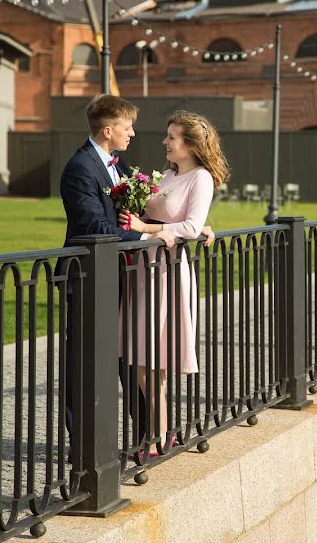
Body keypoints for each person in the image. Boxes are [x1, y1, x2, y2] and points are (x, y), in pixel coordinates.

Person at [59, 95, 214, 459]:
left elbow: (147, 212)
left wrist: (193, 227)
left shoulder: (119, 165)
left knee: (135, 357)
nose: (134, 133)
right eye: (128, 127)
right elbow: (95, 226)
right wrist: (150, 235)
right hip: (90, 277)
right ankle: (86, 451)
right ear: (108, 130)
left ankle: (154, 437)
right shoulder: (80, 167)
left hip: (132, 275)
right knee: (82, 365)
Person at [118, 109, 229, 456]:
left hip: (167, 273)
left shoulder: (201, 178)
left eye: (172, 137)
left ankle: (158, 437)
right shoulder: (168, 175)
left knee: (154, 360)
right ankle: (158, 433)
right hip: (143, 270)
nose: (164, 142)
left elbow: (191, 227)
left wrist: (146, 229)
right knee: (140, 360)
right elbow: (178, 221)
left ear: (191, 144)